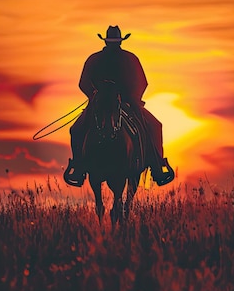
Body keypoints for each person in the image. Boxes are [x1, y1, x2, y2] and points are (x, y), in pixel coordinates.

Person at [65, 25, 174, 187]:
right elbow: (84, 83)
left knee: (155, 125)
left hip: (126, 103)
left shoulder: (120, 59)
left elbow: (141, 83)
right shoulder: (109, 59)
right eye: (112, 42)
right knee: (76, 129)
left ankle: (157, 166)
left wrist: (130, 99)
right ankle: (79, 165)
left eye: (114, 42)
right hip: (100, 104)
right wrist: (96, 97)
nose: (113, 45)